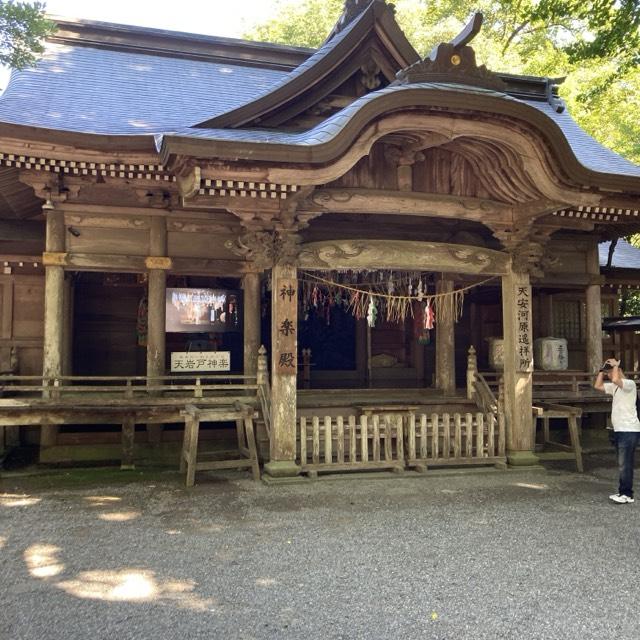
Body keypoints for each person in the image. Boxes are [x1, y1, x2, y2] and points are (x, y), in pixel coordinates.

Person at [594, 358, 640, 504]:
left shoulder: (629, 384)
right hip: (620, 429)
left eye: (610, 372)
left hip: (628, 429)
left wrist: (615, 366)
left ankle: (627, 494)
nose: (608, 375)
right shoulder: (615, 387)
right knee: (623, 463)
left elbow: (615, 379)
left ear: (619, 371)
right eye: (607, 373)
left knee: (625, 463)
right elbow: (598, 386)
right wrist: (602, 370)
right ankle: (624, 492)